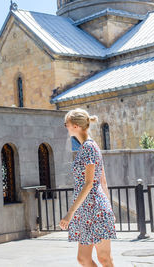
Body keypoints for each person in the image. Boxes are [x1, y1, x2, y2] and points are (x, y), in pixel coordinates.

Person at [59, 108, 117, 267]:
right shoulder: (86, 147)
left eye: (67, 124)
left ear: (76, 126)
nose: (66, 127)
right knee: (83, 259)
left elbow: (90, 182)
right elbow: (103, 181)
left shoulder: (89, 147)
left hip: (95, 209)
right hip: (86, 210)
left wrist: (70, 213)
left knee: (104, 258)